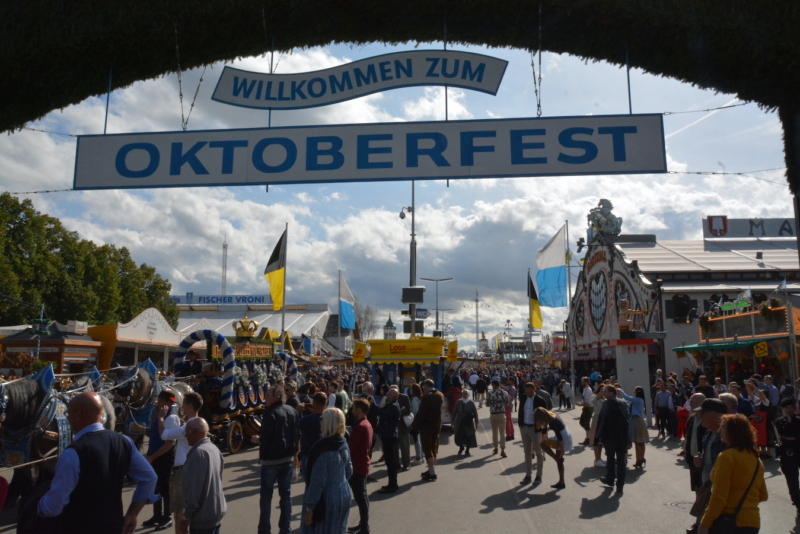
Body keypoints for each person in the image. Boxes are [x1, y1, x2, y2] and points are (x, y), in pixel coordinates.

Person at [37, 392, 158, 534]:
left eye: (67, 413)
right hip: (114, 527)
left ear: (78, 415)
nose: (67, 418)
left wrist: (37, 506)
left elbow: (52, 507)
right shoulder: (124, 441)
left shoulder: (73, 453)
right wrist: (132, 515)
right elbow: (150, 478)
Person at [699, 414, 768, 534]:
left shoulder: (727, 457)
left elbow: (719, 496)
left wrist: (705, 523)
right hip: (752, 522)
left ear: (733, 432)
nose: (719, 431)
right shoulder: (756, 459)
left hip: (728, 522)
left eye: (723, 427)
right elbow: (763, 495)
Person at [255, 385, 300, 534]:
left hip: (271, 460)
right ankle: (285, 528)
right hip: (286, 459)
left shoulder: (270, 413)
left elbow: (266, 437)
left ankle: (264, 530)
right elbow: (296, 435)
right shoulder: (291, 411)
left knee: (266, 497)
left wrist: (257, 440)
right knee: (285, 496)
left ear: (276, 397)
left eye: (267, 395)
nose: (265, 398)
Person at [301, 408, 353, 534]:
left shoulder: (323, 449)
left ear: (329, 422)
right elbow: (349, 470)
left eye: (322, 418)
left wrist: (310, 508)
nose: (320, 421)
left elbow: (317, 482)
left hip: (328, 498)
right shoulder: (342, 443)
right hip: (344, 492)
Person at [159, 391, 204, 534]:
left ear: (190, 406)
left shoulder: (188, 426)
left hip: (182, 470)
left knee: (179, 511)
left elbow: (165, 435)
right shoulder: (200, 423)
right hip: (194, 469)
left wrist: (161, 418)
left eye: (184, 405)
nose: (182, 407)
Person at [180, 418, 226, 534]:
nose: (185, 436)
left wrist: (186, 517)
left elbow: (194, 490)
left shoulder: (198, 454)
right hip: (215, 513)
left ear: (194, 432)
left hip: (203, 518)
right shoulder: (214, 449)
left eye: (187, 432)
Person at [144, 390, 177, 530]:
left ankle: (167, 516)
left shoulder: (171, 418)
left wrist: (153, 456)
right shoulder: (161, 415)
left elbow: (170, 443)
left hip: (164, 457)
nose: (157, 403)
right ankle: (157, 514)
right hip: (156, 455)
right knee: (156, 487)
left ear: (167, 403)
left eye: (160, 400)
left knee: (165, 487)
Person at [596, 385, 630, 494]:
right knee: (621, 461)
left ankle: (610, 479)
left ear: (612, 393)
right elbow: (627, 419)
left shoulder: (606, 404)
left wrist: (599, 436)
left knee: (610, 459)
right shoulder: (623, 403)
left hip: (610, 437)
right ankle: (620, 484)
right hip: (621, 436)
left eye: (605, 391)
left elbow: (601, 421)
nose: (603, 393)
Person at [347, 399, 373, 534]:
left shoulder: (361, 426)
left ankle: (364, 527)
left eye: (353, 409)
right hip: (361, 465)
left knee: (361, 497)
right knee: (362, 497)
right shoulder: (366, 424)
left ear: (359, 410)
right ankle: (363, 525)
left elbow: (351, 448)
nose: (352, 411)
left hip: (357, 466)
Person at [533, 408, 572, 489]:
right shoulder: (552, 414)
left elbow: (560, 438)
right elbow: (553, 427)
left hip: (563, 438)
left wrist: (562, 450)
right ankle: (561, 481)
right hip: (565, 433)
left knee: (543, 445)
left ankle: (561, 480)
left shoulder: (553, 421)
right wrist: (547, 430)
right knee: (559, 460)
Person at [518, 383, 548, 485]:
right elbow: (520, 411)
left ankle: (539, 476)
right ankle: (528, 475)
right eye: (527, 392)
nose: (529, 394)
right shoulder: (523, 398)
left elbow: (544, 417)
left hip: (536, 429)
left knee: (538, 453)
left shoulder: (540, 400)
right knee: (527, 452)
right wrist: (520, 424)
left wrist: (544, 432)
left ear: (534, 389)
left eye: (531, 392)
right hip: (524, 427)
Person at [415, 379, 444, 481]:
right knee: (434, 448)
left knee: (427, 449)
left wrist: (418, 424)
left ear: (426, 387)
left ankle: (432, 473)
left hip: (427, 426)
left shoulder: (427, 397)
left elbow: (422, 412)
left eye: (423, 388)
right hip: (436, 424)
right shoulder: (440, 395)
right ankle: (432, 470)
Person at [776, 397, 800, 511]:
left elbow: (796, 435)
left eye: (791, 407)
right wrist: (789, 421)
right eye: (787, 408)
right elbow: (783, 434)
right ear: (782, 409)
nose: (789, 410)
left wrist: (791, 437)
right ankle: (797, 502)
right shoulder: (779, 421)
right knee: (792, 480)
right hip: (788, 454)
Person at [376, 388, 401, 493]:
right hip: (388, 435)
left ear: (394, 397)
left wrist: (373, 406)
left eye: (389, 394)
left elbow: (384, 414)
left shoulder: (394, 407)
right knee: (390, 461)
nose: (387, 395)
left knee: (391, 462)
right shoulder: (391, 405)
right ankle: (392, 484)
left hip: (389, 436)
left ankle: (392, 485)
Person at [299, 392, 328, 479]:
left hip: (308, 454)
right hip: (324, 454)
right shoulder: (329, 419)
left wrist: (297, 411)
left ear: (313, 403)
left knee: (309, 484)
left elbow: (292, 427)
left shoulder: (305, 420)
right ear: (325, 404)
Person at [620, 386, 649, 468]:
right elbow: (628, 402)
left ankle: (638, 459)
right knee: (641, 442)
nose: (633, 393)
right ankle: (642, 457)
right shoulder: (640, 400)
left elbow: (627, 397)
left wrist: (620, 391)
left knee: (637, 442)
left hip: (637, 421)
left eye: (634, 392)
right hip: (640, 420)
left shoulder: (637, 400)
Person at [684, 394, 707, 491]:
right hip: (692, 460)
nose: (690, 404)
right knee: (696, 488)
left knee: (704, 490)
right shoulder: (692, 418)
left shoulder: (707, 419)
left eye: (692, 401)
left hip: (704, 461)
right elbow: (687, 437)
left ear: (700, 403)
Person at [486, 379, 509, 457]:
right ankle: (503, 449)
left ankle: (495, 447)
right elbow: (507, 402)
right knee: (502, 433)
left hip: (493, 414)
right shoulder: (504, 393)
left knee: (494, 432)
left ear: (493, 385)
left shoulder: (490, 393)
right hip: (501, 413)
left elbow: (487, 404)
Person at [453, 389, 479, 456]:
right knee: (459, 436)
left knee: (469, 437)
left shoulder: (471, 403)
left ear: (468, 394)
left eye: (465, 394)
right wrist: (452, 422)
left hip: (468, 423)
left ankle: (467, 450)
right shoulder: (459, 402)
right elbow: (454, 412)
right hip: (460, 423)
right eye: (463, 393)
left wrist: (476, 422)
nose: (464, 395)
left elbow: (475, 413)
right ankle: (461, 447)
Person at [408, 383, 423, 462]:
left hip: (415, 421)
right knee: (419, 438)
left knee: (416, 438)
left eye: (411, 389)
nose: (410, 391)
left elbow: (415, 410)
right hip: (420, 420)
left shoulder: (414, 399)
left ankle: (418, 457)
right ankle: (421, 455)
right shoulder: (420, 398)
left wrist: (411, 417)